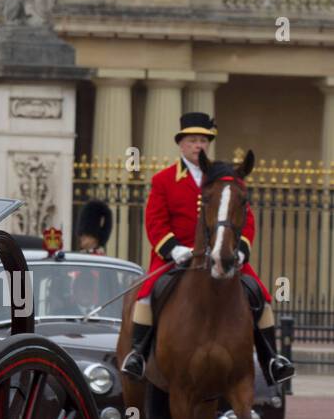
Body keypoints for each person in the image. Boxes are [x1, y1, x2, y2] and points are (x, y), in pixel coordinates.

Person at [122, 112, 294, 384]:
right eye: (192, 140)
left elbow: (246, 220)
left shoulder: (225, 178)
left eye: (203, 140)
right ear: (181, 144)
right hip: (176, 256)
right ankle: (138, 355)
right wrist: (174, 249)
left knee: (260, 295)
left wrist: (240, 251)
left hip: (222, 253)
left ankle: (272, 359)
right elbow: (154, 221)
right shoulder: (164, 179)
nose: (198, 146)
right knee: (146, 296)